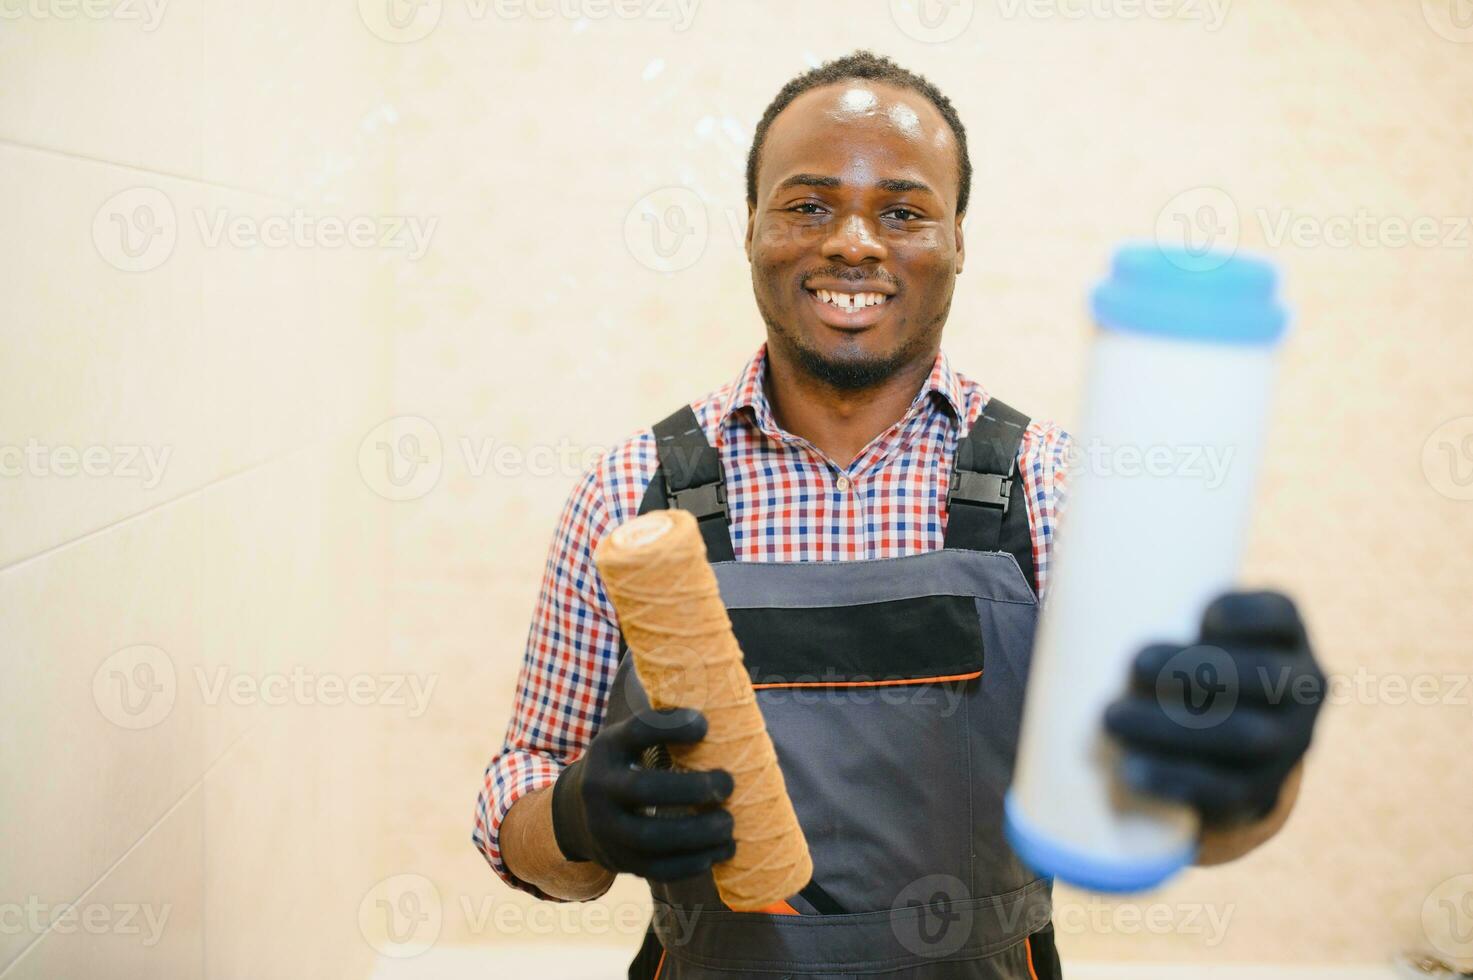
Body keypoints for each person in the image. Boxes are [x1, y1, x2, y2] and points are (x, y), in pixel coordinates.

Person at [474, 50, 1326, 979]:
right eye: (806, 205)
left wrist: (1249, 781)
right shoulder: (628, 490)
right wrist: (571, 818)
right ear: (750, 231)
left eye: (902, 211)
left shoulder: (1055, 490)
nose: (852, 242)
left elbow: (1173, 810)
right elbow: (524, 800)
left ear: (957, 240)